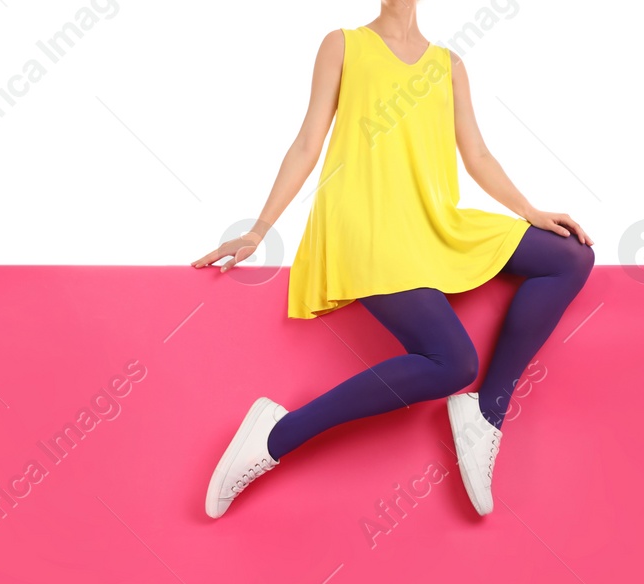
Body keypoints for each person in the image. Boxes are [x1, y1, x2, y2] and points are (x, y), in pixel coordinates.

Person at [196, 0, 594, 519]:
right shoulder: (342, 44)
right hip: (364, 226)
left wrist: (529, 211)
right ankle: (276, 436)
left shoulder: (448, 64)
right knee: (454, 362)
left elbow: (475, 153)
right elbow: (306, 144)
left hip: (431, 222)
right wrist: (259, 230)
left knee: (569, 257)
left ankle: (485, 414)